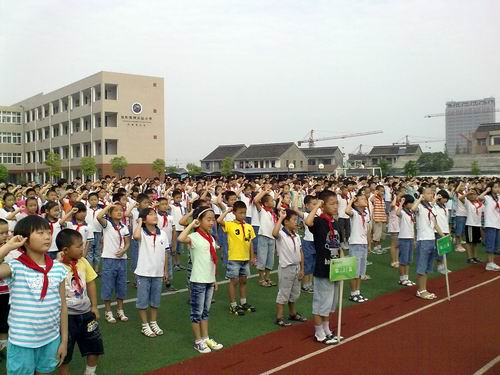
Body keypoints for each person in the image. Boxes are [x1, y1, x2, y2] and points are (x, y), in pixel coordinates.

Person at [0, 216, 68, 374]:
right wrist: (8, 246)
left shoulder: (58, 268)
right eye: (40, 233)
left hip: (51, 338)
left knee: (44, 372)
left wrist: (63, 340)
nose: (47, 236)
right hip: (22, 341)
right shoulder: (15, 266)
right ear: (24, 239)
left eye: (48, 232)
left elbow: (63, 306)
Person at [56, 229, 104, 375]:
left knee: (94, 344)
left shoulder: (83, 262)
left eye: (82, 244)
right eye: (79, 246)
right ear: (65, 250)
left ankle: (90, 371)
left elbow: (90, 283)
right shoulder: (56, 266)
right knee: (65, 351)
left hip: (86, 312)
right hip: (66, 317)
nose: (82, 248)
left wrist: (94, 306)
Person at [178, 207, 223, 354]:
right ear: (200, 220)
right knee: (196, 313)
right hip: (198, 280)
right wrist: (192, 224)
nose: (211, 222)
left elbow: (212, 261)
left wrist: (214, 279)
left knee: (205, 312)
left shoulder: (211, 238)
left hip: (209, 280)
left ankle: (205, 338)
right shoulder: (195, 237)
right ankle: (198, 341)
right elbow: (180, 238)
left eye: (212, 220)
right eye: (208, 219)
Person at [305, 190, 343, 345]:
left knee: (330, 302)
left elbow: (339, 244)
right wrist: (318, 206)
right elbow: (308, 222)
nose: (335, 206)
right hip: (323, 267)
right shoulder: (320, 221)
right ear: (323, 204)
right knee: (321, 301)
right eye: (331, 203)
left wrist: (343, 258)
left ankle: (327, 329)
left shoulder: (335, 223)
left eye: (336, 203)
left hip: (335, 267)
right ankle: (318, 331)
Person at [133, 208, 169, 337]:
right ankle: (145, 325)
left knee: (155, 300)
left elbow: (166, 252)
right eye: (151, 214)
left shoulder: (163, 234)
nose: (155, 216)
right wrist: (139, 223)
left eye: (155, 214)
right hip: (143, 272)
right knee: (142, 301)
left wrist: (165, 271)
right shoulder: (141, 232)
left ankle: (153, 322)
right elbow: (135, 236)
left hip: (158, 273)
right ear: (144, 218)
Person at [217, 201, 257, 316]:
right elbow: (219, 221)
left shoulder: (248, 226)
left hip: (245, 258)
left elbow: (250, 242)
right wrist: (226, 211)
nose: (243, 215)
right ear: (234, 213)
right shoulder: (230, 225)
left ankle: (243, 302)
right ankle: (233, 304)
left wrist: (252, 257)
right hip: (234, 258)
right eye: (240, 213)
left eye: (244, 213)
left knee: (244, 280)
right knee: (233, 281)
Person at [96, 203, 130, 323]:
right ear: (110, 214)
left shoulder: (124, 227)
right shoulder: (108, 225)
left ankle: (120, 310)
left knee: (121, 285)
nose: (119, 212)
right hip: (109, 259)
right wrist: (109, 206)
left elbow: (127, 243)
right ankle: (108, 311)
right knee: (108, 285)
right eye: (116, 211)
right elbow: (99, 216)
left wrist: (124, 250)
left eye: (121, 210)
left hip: (122, 259)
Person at [272, 208, 306, 327]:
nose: (296, 222)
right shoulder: (281, 234)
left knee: (294, 293)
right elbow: (274, 233)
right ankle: (279, 317)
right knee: (284, 293)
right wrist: (280, 217)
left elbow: (300, 252)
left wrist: (302, 268)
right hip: (286, 268)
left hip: (296, 267)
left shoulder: (296, 235)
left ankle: (293, 313)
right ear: (286, 222)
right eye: (293, 220)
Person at [411, 188, 444, 300]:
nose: (431, 195)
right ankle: (421, 290)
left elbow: (435, 224)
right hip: (423, 239)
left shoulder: (431, 207)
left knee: (427, 267)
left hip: (431, 239)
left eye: (432, 193)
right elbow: (413, 209)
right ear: (423, 195)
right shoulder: (420, 206)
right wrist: (420, 198)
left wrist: (443, 235)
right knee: (422, 266)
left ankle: (423, 289)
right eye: (428, 193)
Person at [345, 193, 369, 303]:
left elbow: (367, 229)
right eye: (363, 199)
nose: (365, 200)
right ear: (356, 203)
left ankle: (358, 292)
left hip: (363, 243)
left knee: (360, 271)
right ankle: (353, 293)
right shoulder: (354, 212)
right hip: (355, 243)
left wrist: (368, 243)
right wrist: (352, 200)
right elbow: (347, 211)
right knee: (354, 271)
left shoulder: (366, 213)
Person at [254, 189, 277, 287]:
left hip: (272, 237)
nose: (273, 202)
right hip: (263, 236)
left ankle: (267, 277)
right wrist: (264, 192)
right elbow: (255, 200)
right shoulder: (262, 210)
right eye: (271, 201)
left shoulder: (272, 213)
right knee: (262, 258)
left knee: (270, 259)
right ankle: (261, 279)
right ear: (266, 203)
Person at [156, 197, 177, 290]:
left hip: (167, 244)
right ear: (158, 205)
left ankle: (168, 282)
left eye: (166, 204)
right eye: (162, 204)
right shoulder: (155, 216)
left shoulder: (170, 217)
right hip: (157, 244)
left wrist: (174, 243)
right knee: (157, 263)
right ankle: (157, 281)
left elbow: (173, 230)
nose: (165, 206)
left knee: (168, 263)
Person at [396, 195, 416, 286]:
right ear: (405, 204)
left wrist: (414, 238)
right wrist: (401, 202)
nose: (412, 204)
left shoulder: (411, 212)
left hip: (410, 237)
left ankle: (406, 278)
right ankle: (402, 278)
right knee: (403, 260)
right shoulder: (403, 213)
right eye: (410, 203)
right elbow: (397, 213)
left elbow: (412, 226)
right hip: (403, 238)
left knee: (408, 260)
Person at [461, 189, 485, 264]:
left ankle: (475, 257)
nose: (472, 196)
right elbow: (461, 198)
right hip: (470, 225)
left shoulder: (480, 204)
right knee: (469, 242)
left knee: (475, 243)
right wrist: (467, 192)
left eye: (474, 194)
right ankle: (470, 258)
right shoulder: (468, 203)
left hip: (478, 225)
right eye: (470, 195)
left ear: (477, 195)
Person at [483, 182, 500, 271]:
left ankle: (492, 262)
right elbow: (479, 198)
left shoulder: (499, 198)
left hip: (498, 224)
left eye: (498, 187)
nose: (498, 189)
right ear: (491, 188)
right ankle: (489, 263)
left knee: (496, 245)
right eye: (496, 187)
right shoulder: (487, 198)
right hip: (490, 224)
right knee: (490, 244)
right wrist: (486, 191)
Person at [85, 192, 104, 273]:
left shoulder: (102, 210)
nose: (93, 201)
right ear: (88, 201)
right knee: (89, 251)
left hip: (98, 232)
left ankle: (96, 269)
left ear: (98, 200)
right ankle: (91, 270)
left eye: (95, 199)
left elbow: (104, 222)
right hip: (89, 233)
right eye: (91, 200)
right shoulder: (86, 209)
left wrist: (103, 234)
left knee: (97, 251)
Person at [370, 185, 388, 254]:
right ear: (377, 191)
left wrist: (386, 217)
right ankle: (375, 247)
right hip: (377, 218)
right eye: (381, 191)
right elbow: (371, 200)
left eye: (383, 191)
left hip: (383, 218)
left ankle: (379, 246)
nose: (382, 192)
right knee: (377, 234)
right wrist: (375, 193)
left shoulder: (382, 198)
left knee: (382, 234)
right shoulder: (375, 198)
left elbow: (384, 209)